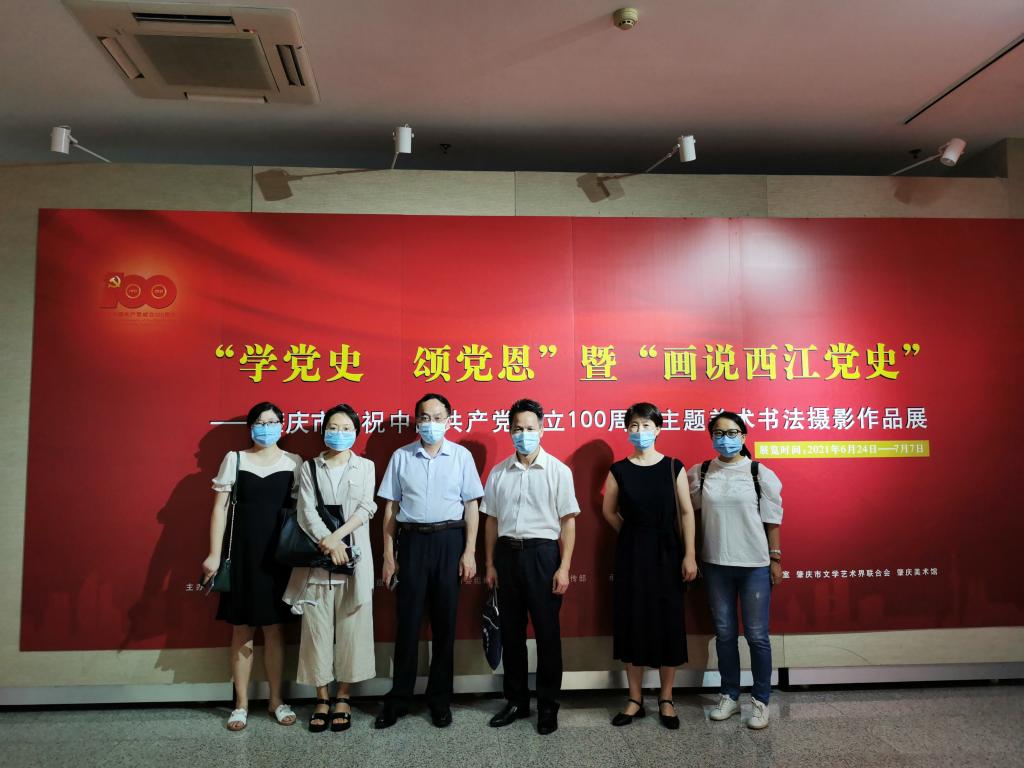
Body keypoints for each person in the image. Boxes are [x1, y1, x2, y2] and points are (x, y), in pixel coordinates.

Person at [375, 393, 484, 729]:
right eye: (425, 417)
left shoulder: (461, 456)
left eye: (438, 418)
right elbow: (391, 508)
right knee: (407, 624)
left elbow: (472, 506)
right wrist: (388, 555)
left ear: (449, 420)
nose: (431, 424)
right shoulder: (402, 456)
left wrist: (469, 551)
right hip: (411, 543)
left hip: (449, 541)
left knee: (444, 625)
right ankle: (399, 699)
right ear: (417, 421)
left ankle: (439, 700)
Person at [201, 401, 301, 731]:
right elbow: (220, 509)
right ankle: (241, 704)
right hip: (242, 556)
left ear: (282, 426)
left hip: (278, 558)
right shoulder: (235, 459)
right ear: (250, 427)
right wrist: (214, 554)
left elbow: (301, 511)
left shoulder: (294, 462)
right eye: (259, 422)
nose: (266, 427)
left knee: (275, 629)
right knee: (241, 629)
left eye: (272, 422)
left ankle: (276, 701)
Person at [483, 399, 580, 735]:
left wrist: (564, 567)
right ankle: (516, 701)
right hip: (507, 555)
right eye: (517, 429)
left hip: (543, 556)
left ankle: (548, 706)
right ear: (509, 431)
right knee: (511, 634)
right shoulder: (498, 473)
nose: (523, 434)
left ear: (542, 429)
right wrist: (489, 563)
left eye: (529, 428)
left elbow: (568, 522)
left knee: (547, 634)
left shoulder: (558, 471)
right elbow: (491, 521)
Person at [601, 402, 697, 729]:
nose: (639, 431)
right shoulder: (619, 470)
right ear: (627, 430)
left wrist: (689, 554)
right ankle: (634, 699)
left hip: (668, 553)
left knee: (669, 622)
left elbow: (686, 512)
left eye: (646, 425)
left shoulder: (673, 466)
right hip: (631, 555)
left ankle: (666, 698)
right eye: (634, 425)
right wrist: (632, 534)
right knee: (633, 622)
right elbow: (608, 511)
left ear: (658, 429)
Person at [282, 403, 376, 733]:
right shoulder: (310, 467)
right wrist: (329, 542)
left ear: (356, 432)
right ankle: (321, 698)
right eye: (333, 427)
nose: (339, 433)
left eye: (346, 428)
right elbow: (305, 511)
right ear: (324, 431)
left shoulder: (366, 466)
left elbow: (366, 507)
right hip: (317, 560)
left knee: (352, 630)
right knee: (316, 632)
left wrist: (338, 539)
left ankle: (344, 697)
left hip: (353, 558)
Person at [687, 410, 784, 730]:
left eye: (731, 433)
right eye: (718, 433)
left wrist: (775, 558)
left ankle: (760, 700)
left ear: (743, 436)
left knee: (757, 635)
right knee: (725, 634)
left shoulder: (758, 473)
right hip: (715, 564)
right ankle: (729, 695)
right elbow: (689, 516)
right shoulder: (701, 472)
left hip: (754, 565)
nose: (725, 439)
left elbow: (772, 519)